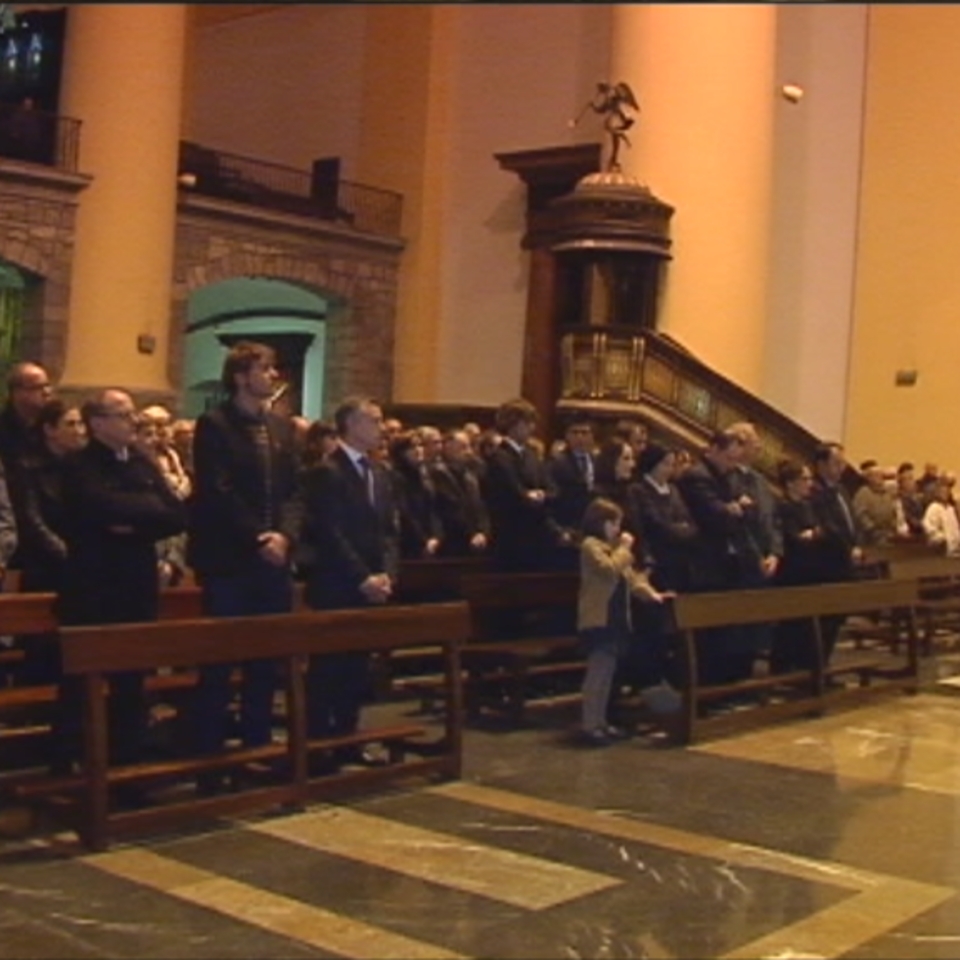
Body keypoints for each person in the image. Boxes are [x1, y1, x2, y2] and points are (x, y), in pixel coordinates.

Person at [54, 389, 186, 784]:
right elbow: (97, 509)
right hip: (92, 587)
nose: (134, 422)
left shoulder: (142, 464)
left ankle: (126, 767)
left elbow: (175, 514)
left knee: (132, 681)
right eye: (123, 415)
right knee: (80, 684)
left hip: (137, 585)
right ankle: (68, 764)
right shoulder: (78, 466)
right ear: (97, 424)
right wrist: (140, 514)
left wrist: (131, 519)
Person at [188, 342, 302, 791]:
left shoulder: (280, 427)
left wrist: (285, 535)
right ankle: (210, 755)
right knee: (221, 659)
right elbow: (219, 491)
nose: (272, 375)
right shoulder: (215, 425)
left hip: (273, 560)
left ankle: (256, 746)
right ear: (240, 376)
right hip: (232, 560)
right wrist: (259, 536)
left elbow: (294, 490)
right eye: (264, 368)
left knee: (264, 659)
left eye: (273, 368)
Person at [298, 395, 399, 770]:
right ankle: (318, 745)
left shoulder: (380, 473)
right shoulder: (328, 471)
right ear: (352, 425)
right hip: (338, 584)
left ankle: (347, 738)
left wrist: (387, 574)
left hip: (372, 586)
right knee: (329, 670)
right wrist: (362, 577)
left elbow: (389, 531)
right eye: (374, 420)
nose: (381, 426)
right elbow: (330, 532)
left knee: (357, 670)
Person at [576, 497, 669, 746]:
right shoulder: (590, 545)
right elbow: (609, 569)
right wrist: (625, 549)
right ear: (600, 522)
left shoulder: (613, 548)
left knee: (608, 675)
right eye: (614, 524)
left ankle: (601, 721)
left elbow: (632, 578)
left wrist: (653, 595)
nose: (618, 530)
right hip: (599, 618)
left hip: (616, 618)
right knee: (597, 673)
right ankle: (589, 724)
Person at [7, 400, 85, 688]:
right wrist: (67, 553)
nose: (79, 431)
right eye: (71, 424)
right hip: (45, 569)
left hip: (79, 571)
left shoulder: (84, 468)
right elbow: (31, 520)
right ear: (50, 430)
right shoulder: (28, 468)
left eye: (81, 424)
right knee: (42, 649)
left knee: (75, 651)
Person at [429, 428, 490, 556]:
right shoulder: (438, 473)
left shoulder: (471, 475)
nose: (469, 452)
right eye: (463, 447)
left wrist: (482, 532)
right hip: (452, 542)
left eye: (469, 447)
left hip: (476, 542)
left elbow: (480, 507)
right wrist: (472, 533)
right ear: (447, 448)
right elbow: (451, 509)